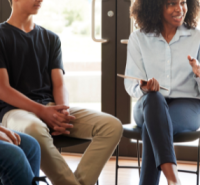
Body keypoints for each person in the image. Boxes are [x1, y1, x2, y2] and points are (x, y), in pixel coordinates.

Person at [0, 0, 123, 184]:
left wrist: (62, 110)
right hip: (14, 112)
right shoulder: (1, 36)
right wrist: (42, 112)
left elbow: (59, 84)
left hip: (50, 108)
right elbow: (3, 90)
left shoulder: (51, 38)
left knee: (112, 126)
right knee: (34, 128)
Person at [125, 0, 200, 184]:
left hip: (187, 106)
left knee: (151, 127)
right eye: (171, 3)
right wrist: (145, 87)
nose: (179, 9)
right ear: (154, 6)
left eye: (183, 2)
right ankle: (174, 179)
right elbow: (131, 84)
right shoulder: (138, 38)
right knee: (154, 101)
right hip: (148, 103)